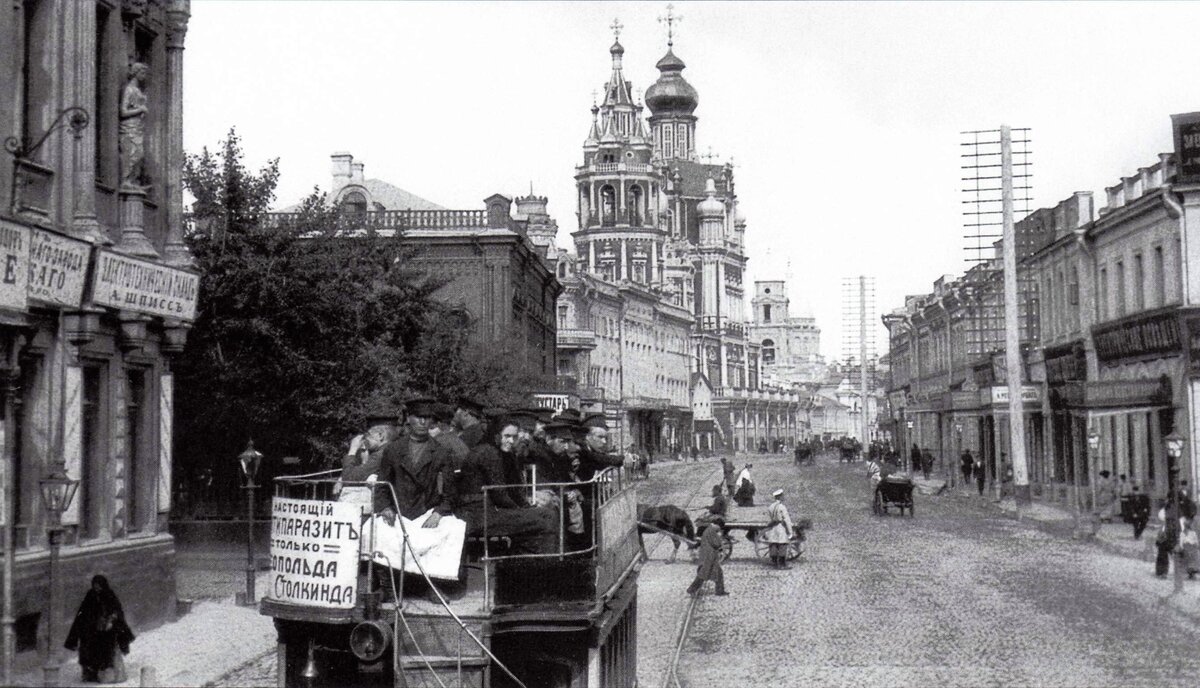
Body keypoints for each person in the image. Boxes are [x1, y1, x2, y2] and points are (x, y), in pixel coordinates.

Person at [374, 397, 458, 528]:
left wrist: (437, 514)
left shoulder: (441, 452)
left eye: (427, 417)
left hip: (427, 514)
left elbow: (450, 493)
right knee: (376, 534)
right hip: (397, 514)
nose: (423, 422)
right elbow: (381, 487)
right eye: (418, 417)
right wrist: (385, 508)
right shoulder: (393, 450)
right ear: (408, 418)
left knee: (450, 530)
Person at [65, 575, 134, 683]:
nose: (97, 588)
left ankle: (110, 676)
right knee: (89, 651)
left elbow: (116, 611)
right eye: (95, 585)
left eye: (99, 586)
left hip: (107, 632)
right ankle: (91, 675)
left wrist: (111, 620)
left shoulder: (109, 595)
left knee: (107, 653)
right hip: (93, 631)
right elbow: (83, 613)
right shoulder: (90, 595)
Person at [685, 515, 728, 596]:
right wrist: (720, 538)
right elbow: (717, 544)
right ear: (716, 525)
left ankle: (719, 591)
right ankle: (691, 589)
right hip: (709, 557)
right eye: (719, 527)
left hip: (708, 557)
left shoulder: (709, 530)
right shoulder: (711, 531)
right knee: (705, 574)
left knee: (712, 574)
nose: (719, 529)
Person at [763, 489, 794, 570]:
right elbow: (787, 520)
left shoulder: (771, 507)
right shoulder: (782, 507)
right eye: (783, 496)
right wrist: (790, 532)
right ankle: (782, 564)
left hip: (773, 528)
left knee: (773, 544)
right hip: (781, 528)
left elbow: (768, 519)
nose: (784, 497)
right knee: (782, 545)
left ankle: (774, 562)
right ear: (780, 497)